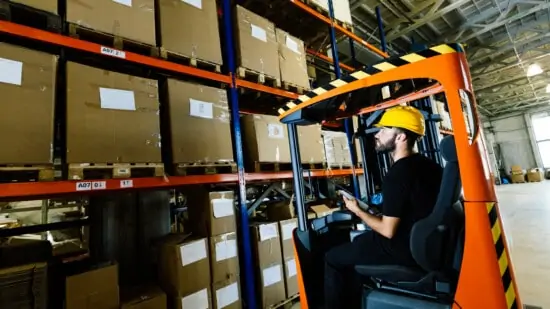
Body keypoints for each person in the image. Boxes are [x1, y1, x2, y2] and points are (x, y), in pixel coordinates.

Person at [324, 106, 444, 309]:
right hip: (424, 243)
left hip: (402, 248)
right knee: (358, 244)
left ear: (401, 137)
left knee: (332, 258)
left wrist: (357, 210)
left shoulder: (398, 174)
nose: (377, 135)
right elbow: (412, 206)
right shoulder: (429, 166)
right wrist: (377, 213)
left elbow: (388, 230)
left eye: (385, 129)